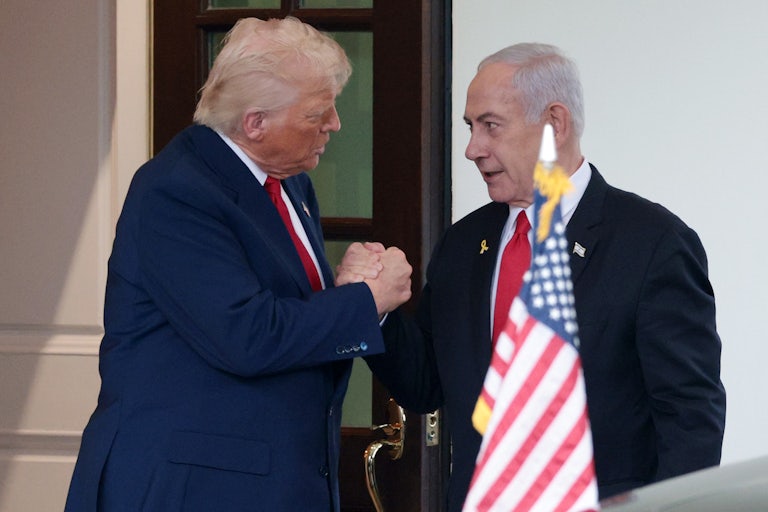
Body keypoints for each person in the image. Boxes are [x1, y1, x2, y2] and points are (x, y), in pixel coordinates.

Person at [344, 43, 726, 511]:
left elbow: (690, 417)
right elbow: (425, 384)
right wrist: (375, 311)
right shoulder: (463, 244)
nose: (472, 149)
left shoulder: (652, 243)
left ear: (555, 123)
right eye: (470, 127)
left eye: (490, 125)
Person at [64, 16, 412, 512]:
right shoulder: (175, 190)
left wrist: (347, 288)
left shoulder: (291, 182)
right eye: (317, 112)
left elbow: (286, 314)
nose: (334, 123)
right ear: (255, 123)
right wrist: (366, 300)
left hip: (272, 482)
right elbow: (247, 336)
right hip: (191, 490)